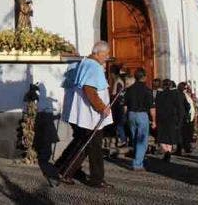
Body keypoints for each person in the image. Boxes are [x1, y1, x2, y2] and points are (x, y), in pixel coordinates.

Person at [54, 41, 113, 189]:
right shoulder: (93, 66)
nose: (106, 58)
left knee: (81, 143)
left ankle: (62, 167)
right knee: (93, 148)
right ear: (98, 53)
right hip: (91, 116)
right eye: (105, 55)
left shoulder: (86, 62)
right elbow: (89, 90)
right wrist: (101, 107)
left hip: (86, 115)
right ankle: (95, 178)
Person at [123, 68, 155, 171]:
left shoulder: (129, 89)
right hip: (142, 115)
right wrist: (154, 120)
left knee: (135, 138)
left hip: (131, 114)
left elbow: (125, 106)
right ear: (145, 77)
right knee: (142, 139)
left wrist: (125, 116)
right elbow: (152, 108)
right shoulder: (147, 90)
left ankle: (139, 158)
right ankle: (137, 163)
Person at [155, 79, 184, 162]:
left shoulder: (160, 94)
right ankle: (168, 152)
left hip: (162, 118)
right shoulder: (175, 94)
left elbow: (156, 106)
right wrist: (180, 119)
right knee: (170, 138)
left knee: (162, 137)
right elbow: (180, 108)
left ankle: (167, 152)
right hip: (172, 118)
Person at [175, 82, 194, 155]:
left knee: (185, 134)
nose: (187, 90)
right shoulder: (182, 95)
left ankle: (185, 148)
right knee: (183, 134)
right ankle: (184, 148)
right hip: (184, 117)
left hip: (186, 117)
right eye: (185, 88)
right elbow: (187, 106)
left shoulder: (185, 95)